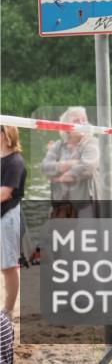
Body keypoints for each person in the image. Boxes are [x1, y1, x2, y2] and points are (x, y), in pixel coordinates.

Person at [40, 106, 100, 218]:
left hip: (85, 206)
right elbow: (45, 167)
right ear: (66, 126)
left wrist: (59, 178)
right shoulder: (58, 145)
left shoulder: (92, 143)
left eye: (84, 120)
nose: (82, 123)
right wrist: (69, 164)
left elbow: (86, 167)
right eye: (76, 121)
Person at [1, 126, 26, 318]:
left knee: (8, 265)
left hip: (8, 217)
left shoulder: (15, 162)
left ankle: (7, 312)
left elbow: (5, 193)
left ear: (5, 135)